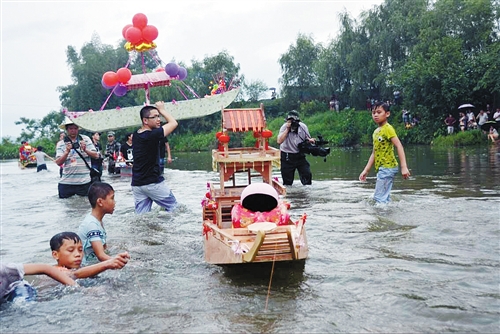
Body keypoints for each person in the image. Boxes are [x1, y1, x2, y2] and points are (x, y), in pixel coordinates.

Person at [131, 101, 178, 214]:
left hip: (137, 184)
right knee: (175, 208)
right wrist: (162, 110)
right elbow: (173, 123)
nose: (159, 119)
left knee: (142, 217)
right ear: (145, 120)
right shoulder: (152, 135)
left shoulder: (136, 134)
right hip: (152, 183)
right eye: (155, 117)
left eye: (159, 116)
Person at [359, 102, 410, 204]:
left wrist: (404, 167)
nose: (376, 115)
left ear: (387, 114)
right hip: (382, 168)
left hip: (388, 167)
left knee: (378, 198)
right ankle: (389, 213)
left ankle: (381, 218)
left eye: (379, 112)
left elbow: (399, 146)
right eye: (373, 113)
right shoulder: (376, 132)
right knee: (382, 198)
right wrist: (366, 170)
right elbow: (374, 153)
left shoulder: (388, 128)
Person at [50, 232, 129, 280]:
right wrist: (108, 263)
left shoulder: (81, 267)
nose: (78, 254)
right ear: (55, 255)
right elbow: (74, 275)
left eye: (80, 250)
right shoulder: (55, 271)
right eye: (71, 250)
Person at [55, 118, 99, 199]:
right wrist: (66, 152)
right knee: (67, 209)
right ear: (67, 129)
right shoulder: (61, 144)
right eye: (71, 128)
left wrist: (85, 149)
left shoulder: (85, 139)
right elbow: (58, 162)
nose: (73, 130)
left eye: (75, 128)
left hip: (84, 182)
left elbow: (96, 155)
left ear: (78, 129)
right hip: (66, 183)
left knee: (85, 207)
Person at [78, 182, 119, 264]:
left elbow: (103, 248)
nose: (115, 202)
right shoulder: (92, 225)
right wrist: (123, 262)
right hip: (87, 268)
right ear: (100, 202)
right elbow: (101, 256)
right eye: (112, 198)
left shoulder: (97, 220)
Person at [1, 262, 76, 303]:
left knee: (23, 306)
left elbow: (45, 268)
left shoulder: (5, 269)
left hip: (16, 290)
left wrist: (74, 285)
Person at [277, 110, 315, 186]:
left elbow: (307, 139)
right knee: (287, 182)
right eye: (290, 121)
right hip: (287, 156)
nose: (292, 124)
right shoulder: (284, 127)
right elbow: (279, 141)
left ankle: (306, 195)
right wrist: (287, 129)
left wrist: (310, 140)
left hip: (299, 155)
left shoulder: (303, 127)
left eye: (294, 122)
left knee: (307, 176)